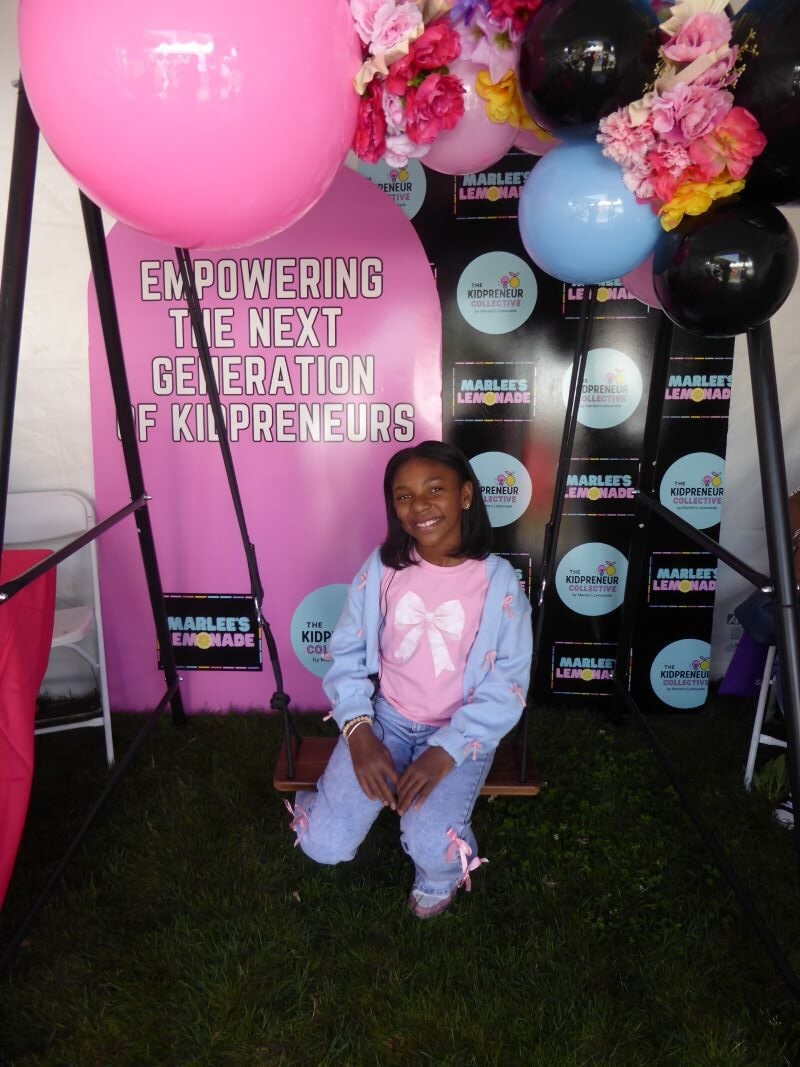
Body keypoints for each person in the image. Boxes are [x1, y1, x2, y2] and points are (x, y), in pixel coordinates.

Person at [285, 440, 533, 917]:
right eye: (404, 496)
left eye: (434, 489)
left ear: (465, 495)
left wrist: (447, 750)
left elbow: (508, 682)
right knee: (323, 844)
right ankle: (327, 800)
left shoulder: (498, 582)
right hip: (388, 719)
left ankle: (439, 873)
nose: (419, 505)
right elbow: (347, 650)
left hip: (461, 729)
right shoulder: (383, 569)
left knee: (428, 837)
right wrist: (359, 733)